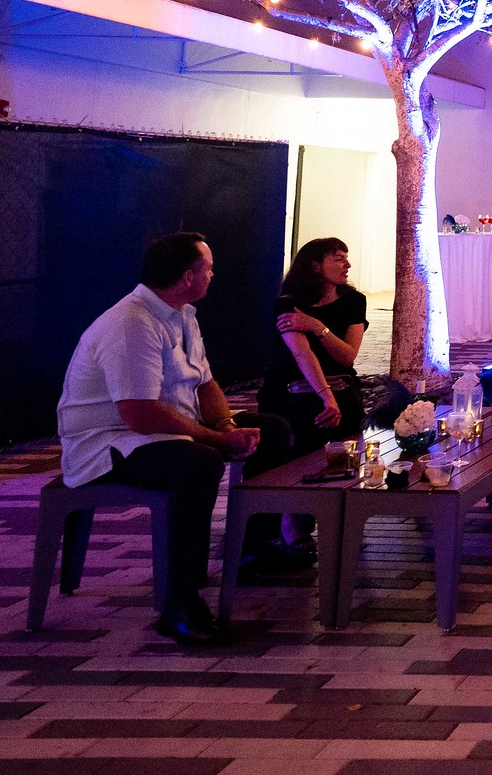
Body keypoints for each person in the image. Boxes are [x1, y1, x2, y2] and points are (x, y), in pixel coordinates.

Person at [56, 233, 294, 645]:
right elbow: (140, 415)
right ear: (188, 277)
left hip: (161, 429)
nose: (214, 275)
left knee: (273, 430)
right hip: (109, 444)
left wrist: (226, 428)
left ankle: (255, 549)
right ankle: (181, 602)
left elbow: (205, 382)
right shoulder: (132, 323)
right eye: (209, 268)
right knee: (199, 463)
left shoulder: (181, 314)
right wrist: (216, 443)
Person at [257, 236, 368, 561]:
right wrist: (325, 395)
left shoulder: (353, 301)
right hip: (293, 392)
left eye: (347, 258)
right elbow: (301, 354)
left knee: (345, 443)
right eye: (338, 258)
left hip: (342, 388)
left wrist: (318, 326)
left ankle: (343, 517)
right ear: (316, 265)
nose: (347, 264)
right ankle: (294, 521)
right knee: (302, 435)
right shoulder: (288, 303)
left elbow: (347, 356)